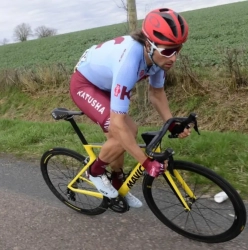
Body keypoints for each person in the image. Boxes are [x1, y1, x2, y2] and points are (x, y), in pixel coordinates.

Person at [69, 8, 191, 208]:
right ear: (149, 44)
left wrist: (172, 124)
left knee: (121, 137)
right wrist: (146, 163)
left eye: (178, 49)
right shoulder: (130, 61)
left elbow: (157, 94)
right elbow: (118, 125)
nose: (174, 58)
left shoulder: (158, 59)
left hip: (108, 84)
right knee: (124, 132)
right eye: (168, 51)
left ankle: (117, 182)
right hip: (85, 85)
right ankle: (95, 172)